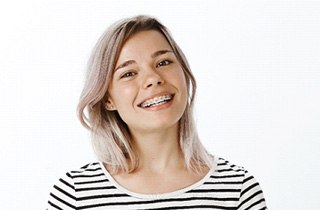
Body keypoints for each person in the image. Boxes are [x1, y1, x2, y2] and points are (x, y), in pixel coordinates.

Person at [47, 15, 267, 210]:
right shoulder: (75, 195)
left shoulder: (238, 189)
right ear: (107, 99)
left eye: (163, 62)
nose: (153, 78)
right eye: (129, 73)